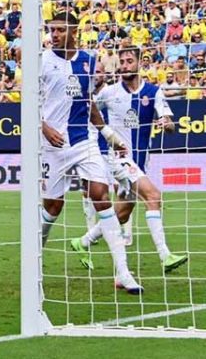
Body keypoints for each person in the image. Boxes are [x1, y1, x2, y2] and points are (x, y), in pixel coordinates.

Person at [40, 12, 142, 294]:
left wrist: (107, 133)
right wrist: (43, 126)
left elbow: (88, 102)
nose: (55, 35)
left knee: (100, 193)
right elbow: (28, 103)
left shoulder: (88, 59)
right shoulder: (42, 61)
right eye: (52, 30)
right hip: (52, 145)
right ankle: (34, 261)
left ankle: (123, 272)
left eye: (60, 30)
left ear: (73, 30)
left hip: (83, 140)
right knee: (53, 206)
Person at [71, 47, 187, 274]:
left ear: (139, 64)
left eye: (129, 61)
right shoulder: (110, 92)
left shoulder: (153, 92)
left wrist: (166, 124)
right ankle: (165, 255)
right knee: (153, 196)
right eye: (121, 62)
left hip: (140, 162)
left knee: (122, 213)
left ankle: (83, 242)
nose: (124, 65)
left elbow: (171, 123)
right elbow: (88, 109)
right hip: (118, 159)